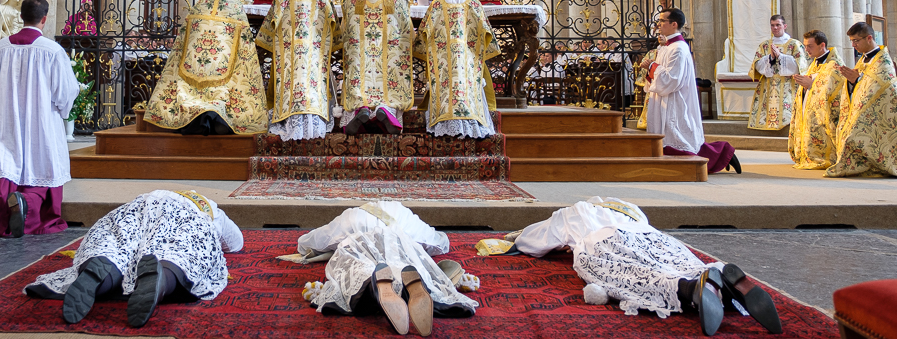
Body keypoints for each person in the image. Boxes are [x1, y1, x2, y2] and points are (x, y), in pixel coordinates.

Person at [501, 197, 782, 336]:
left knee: (629, 273)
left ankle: (689, 290)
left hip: (603, 241)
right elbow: (644, 227)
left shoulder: (572, 212)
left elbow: (533, 242)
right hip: (654, 236)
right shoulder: (628, 207)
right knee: (676, 261)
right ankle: (721, 279)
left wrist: (525, 240)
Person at [25, 189, 242, 328]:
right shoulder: (211, 209)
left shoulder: (155, 194)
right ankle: (163, 278)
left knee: (116, 243)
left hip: (136, 209)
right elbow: (235, 242)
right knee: (183, 252)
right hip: (186, 216)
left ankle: (102, 268)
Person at [0, 0, 80, 237]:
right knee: (39, 166)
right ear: (44, 19)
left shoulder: (0, 48)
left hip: (5, 121)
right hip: (41, 122)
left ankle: (0, 211)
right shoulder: (52, 50)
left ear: (20, 17)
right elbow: (66, 91)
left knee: (6, 168)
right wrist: (62, 111)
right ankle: (27, 204)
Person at [296, 201, 477, 336]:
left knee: (356, 270)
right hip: (399, 244)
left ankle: (373, 285)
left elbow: (307, 243)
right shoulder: (403, 213)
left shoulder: (350, 216)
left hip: (358, 243)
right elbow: (440, 244)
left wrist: (323, 248)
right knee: (410, 264)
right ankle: (415, 286)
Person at [144, 0, 268, 135]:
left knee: (189, 88)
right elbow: (245, 43)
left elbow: (183, 37)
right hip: (222, 64)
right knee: (225, 88)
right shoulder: (235, 6)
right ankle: (218, 118)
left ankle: (192, 117)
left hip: (196, 64)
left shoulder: (200, 4)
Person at [646, 9, 740, 174]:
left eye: (662, 21)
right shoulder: (667, 47)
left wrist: (652, 66)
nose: (658, 25)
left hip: (675, 100)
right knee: (671, 138)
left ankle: (722, 152)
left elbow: (672, 79)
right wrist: (650, 70)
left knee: (678, 139)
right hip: (664, 98)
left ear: (674, 24)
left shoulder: (678, 49)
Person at [337, 0, 414, 135]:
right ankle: (385, 109)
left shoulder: (350, 1)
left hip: (360, 58)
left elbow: (343, 33)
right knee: (393, 71)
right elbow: (408, 34)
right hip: (387, 57)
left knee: (358, 73)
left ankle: (361, 108)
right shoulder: (398, 1)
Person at [413, 0, 500, 138]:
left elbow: (423, 34)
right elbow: (488, 34)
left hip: (443, 60)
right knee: (468, 85)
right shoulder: (474, 4)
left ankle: (444, 121)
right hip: (468, 59)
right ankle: (471, 119)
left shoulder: (436, 5)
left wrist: (425, 51)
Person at [255, 0, 337, 140]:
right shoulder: (323, 1)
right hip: (314, 57)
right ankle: (315, 119)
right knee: (313, 86)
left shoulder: (282, 0)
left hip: (289, 58)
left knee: (290, 85)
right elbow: (336, 35)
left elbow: (265, 37)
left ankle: (287, 119)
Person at [826, 22, 897, 177]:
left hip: (878, 114)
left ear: (869, 38)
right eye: (851, 41)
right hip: (862, 108)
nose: (853, 45)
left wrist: (857, 80)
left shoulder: (883, 61)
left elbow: (883, 88)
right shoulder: (863, 59)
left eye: (856, 41)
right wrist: (852, 81)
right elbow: (861, 82)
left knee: (854, 134)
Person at [790, 30, 846, 170]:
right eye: (805, 46)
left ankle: (823, 157)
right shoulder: (814, 63)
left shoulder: (834, 64)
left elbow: (836, 89)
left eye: (810, 46)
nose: (806, 50)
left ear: (822, 45)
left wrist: (812, 84)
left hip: (825, 112)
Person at [748, 15, 809, 131]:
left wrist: (780, 56)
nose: (775, 28)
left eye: (778, 25)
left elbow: (801, 66)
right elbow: (757, 65)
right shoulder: (765, 45)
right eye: (772, 25)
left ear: (784, 26)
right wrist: (770, 57)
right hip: (769, 84)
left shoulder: (794, 44)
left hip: (789, 85)